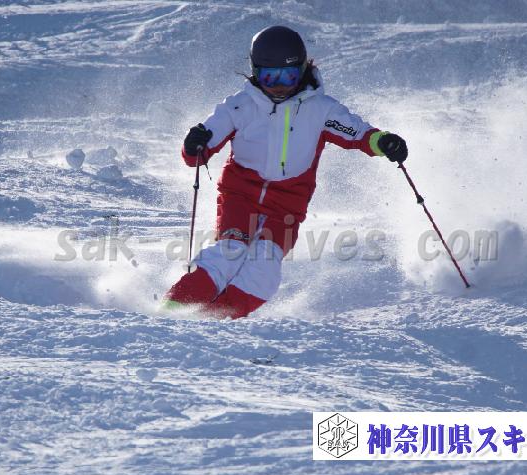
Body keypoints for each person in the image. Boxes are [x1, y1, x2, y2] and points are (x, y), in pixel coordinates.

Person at [163, 25, 408, 319]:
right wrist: (194, 144)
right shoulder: (239, 106)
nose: (279, 86)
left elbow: (359, 134)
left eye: (288, 76)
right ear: (256, 73)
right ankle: (171, 310)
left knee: (265, 269)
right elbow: (197, 153)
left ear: (302, 70)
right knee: (230, 253)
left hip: (287, 207)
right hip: (240, 196)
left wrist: (383, 142)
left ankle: (214, 318)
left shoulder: (322, 109)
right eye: (270, 77)